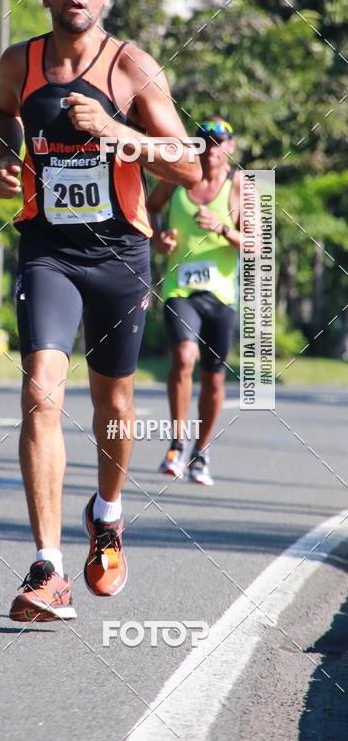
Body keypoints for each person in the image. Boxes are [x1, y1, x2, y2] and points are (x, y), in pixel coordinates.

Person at [0, 0, 201, 622]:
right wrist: (3, 159)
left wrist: (116, 130)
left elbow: (189, 165)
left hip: (118, 257)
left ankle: (106, 515)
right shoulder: (19, 62)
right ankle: (48, 567)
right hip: (48, 251)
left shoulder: (130, 66)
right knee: (39, 392)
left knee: (114, 403)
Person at [147, 119, 244, 487]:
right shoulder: (177, 178)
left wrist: (222, 228)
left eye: (218, 142)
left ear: (230, 147)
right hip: (180, 289)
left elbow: (258, 244)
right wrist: (160, 237)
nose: (210, 148)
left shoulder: (238, 188)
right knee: (183, 357)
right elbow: (149, 208)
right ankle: (177, 444)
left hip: (221, 296)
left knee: (214, 379)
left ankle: (201, 452)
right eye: (204, 142)